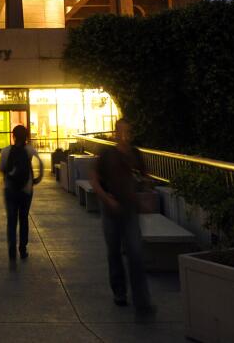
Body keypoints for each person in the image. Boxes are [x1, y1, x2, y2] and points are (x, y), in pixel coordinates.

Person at [90, 118, 155, 319]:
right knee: (114, 252)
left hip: (129, 210)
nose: (125, 136)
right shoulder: (107, 154)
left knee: (135, 254)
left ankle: (142, 303)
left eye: (128, 132)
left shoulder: (136, 155)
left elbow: (145, 178)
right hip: (111, 210)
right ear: (115, 133)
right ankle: (119, 291)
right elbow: (94, 178)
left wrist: (145, 190)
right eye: (121, 132)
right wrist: (105, 198)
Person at [0, 124, 43, 261]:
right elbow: (40, 163)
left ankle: (12, 248)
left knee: (11, 220)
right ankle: (22, 249)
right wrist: (37, 179)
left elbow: (1, 168)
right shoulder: (30, 150)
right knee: (23, 218)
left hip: (10, 189)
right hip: (26, 189)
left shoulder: (5, 151)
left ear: (13, 136)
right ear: (26, 136)